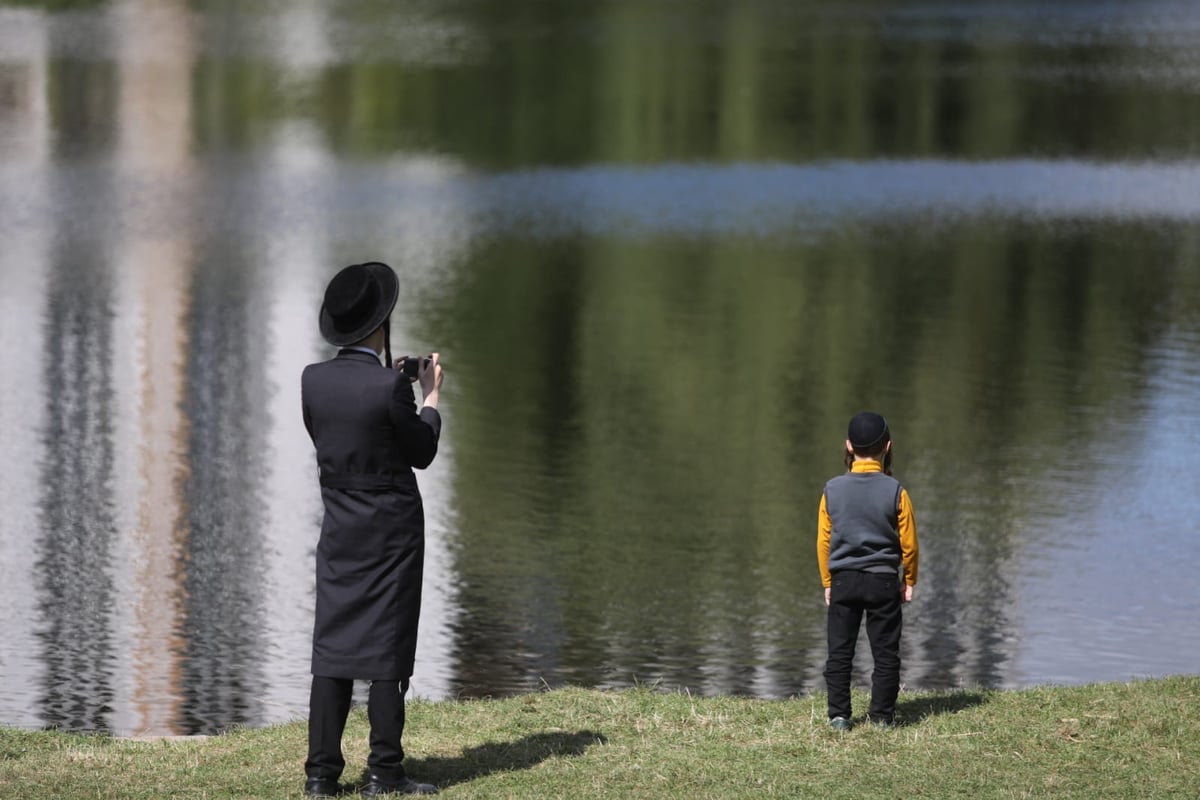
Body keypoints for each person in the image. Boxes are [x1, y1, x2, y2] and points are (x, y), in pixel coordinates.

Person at [301, 261, 444, 797]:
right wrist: (428, 396)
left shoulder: (312, 381)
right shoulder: (390, 391)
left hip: (340, 531)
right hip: (391, 535)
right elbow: (421, 451)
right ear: (381, 324)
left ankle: (321, 776)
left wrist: (396, 377)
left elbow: (340, 433)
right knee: (387, 647)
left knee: (332, 645)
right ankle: (385, 772)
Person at [816, 411, 918, 730]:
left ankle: (840, 715)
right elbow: (910, 544)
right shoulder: (896, 490)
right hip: (883, 582)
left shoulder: (832, 489)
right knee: (885, 653)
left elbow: (823, 541)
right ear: (887, 447)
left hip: (844, 579)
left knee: (840, 652)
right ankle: (881, 717)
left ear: (848, 446)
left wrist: (828, 581)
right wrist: (909, 579)